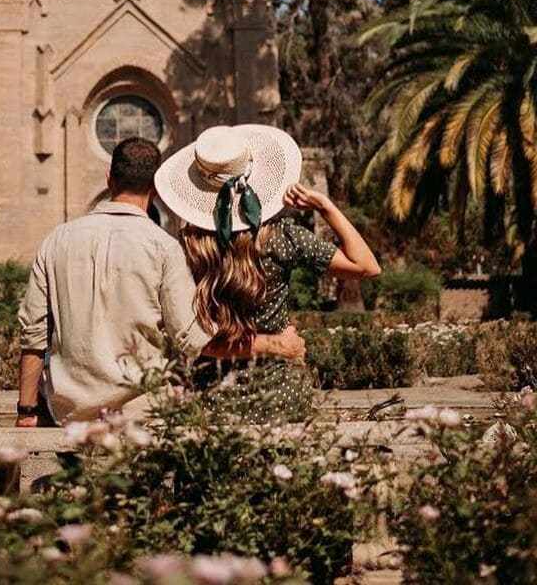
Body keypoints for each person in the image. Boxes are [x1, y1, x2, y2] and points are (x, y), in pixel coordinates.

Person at [16, 137, 308, 427]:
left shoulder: (56, 240)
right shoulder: (164, 248)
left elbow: (33, 335)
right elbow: (195, 340)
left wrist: (26, 410)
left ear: (109, 179)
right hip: (143, 415)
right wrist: (275, 344)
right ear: (155, 188)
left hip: (68, 415)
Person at [154, 124, 381, 422]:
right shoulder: (283, 238)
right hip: (280, 399)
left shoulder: (186, 249)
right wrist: (325, 207)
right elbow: (367, 266)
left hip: (209, 403)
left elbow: (192, 338)